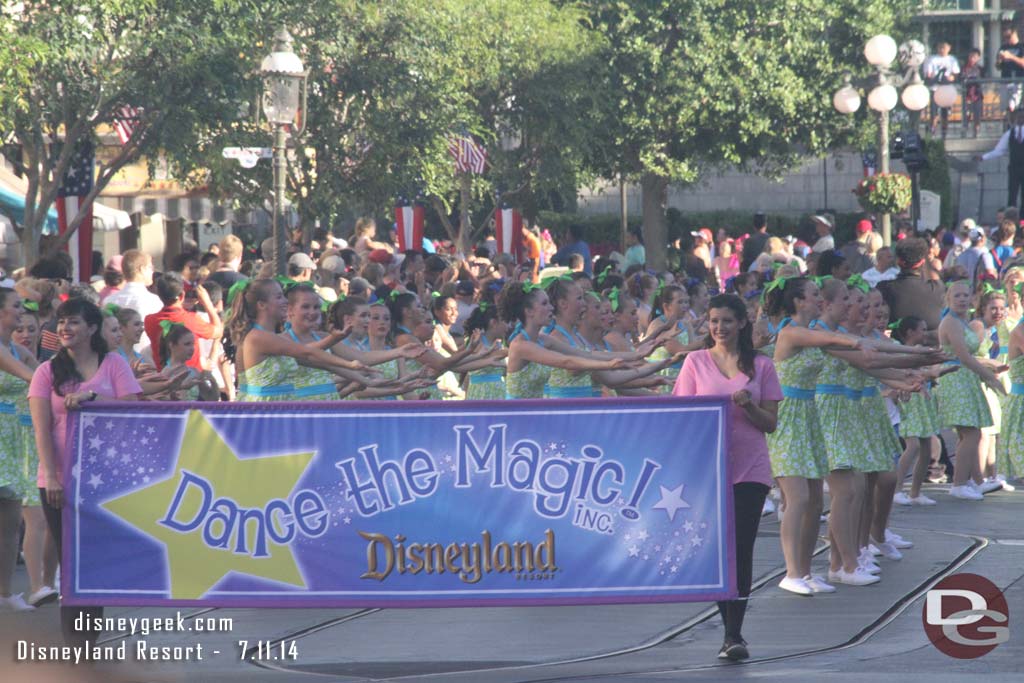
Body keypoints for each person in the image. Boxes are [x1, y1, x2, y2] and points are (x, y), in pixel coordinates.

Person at [28, 298, 143, 645]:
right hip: (60, 482)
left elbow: (131, 409)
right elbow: (41, 429)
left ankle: (88, 640)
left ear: (92, 328)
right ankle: (76, 647)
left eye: (73, 322)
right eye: (62, 322)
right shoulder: (46, 371)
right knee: (72, 564)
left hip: (105, 481)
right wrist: (53, 477)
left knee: (96, 563)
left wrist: (94, 399)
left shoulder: (113, 363)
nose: (65, 328)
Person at [673, 294, 780, 661]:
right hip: (709, 470)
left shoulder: (761, 366)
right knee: (720, 550)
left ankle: (734, 633)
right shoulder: (694, 362)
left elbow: (770, 424)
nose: (719, 328)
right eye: (714, 321)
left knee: (741, 547)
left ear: (742, 324)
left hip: (749, 468)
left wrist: (748, 404)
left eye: (727, 321)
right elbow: (681, 415)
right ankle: (728, 628)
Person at [936, 281, 1006, 500]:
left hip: (966, 378)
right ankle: (959, 483)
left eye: (966, 295)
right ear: (948, 298)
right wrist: (990, 377)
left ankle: (973, 481)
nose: (963, 299)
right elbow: (964, 356)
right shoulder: (950, 322)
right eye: (957, 296)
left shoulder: (962, 321)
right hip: (956, 378)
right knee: (971, 432)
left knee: (970, 432)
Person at [143, 273, 223, 370]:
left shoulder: (149, 321)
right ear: (182, 296)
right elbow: (218, 331)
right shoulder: (192, 320)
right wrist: (207, 302)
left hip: (164, 377)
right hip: (191, 378)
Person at [878, 237, 947, 338]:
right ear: (923, 262)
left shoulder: (884, 288)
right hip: (931, 349)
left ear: (898, 261)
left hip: (895, 348)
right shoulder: (937, 288)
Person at [102, 250, 162, 352]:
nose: (153, 272)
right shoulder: (153, 301)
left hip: (116, 357)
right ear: (142, 269)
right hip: (145, 357)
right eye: (151, 268)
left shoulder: (108, 301)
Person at [979, 109, 1024, 213]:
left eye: (1023, 117)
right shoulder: (1010, 134)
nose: (1021, 119)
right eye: (1019, 117)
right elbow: (999, 150)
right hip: (1014, 168)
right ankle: (1011, 219)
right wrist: (983, 157)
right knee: (1012, 194)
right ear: (1015, 119)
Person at [923, 42, 959, 138]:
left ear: (949, 48)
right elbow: (928, 74)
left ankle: (944, 133)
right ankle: (932, 132)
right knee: (933, 113)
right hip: (935, 89)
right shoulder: (932, 59)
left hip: (946, 90)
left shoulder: (952, 59)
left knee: (945, 114)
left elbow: (955, 74)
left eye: (944, 47)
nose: (942, 50)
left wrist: (952, 77)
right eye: (940, 47)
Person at [997, 27, 1024, 113]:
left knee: (1014, 106)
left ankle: (1016, 125)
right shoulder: (1003, 47)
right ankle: (1007, 125)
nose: (1007, 39)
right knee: (1005, 109)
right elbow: (998, 67)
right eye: (1005, 37)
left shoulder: (1021, 47)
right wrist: (999, 61)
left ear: (1014, 34)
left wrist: (1011, 57)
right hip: (1005, 80)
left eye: (1009, 36)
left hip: (1017, 80)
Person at [962, 48, 984, 138]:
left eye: (974, 57)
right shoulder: (964, 68)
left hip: (977, 94)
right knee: (966, 114)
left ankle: (976, 131)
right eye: (970, 56)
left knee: (977, 114)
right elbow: (962, 78)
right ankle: (964, 131)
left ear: (978, 58)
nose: (972, 59)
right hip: (966, 95)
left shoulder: (980, 69)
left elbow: (982, 81)